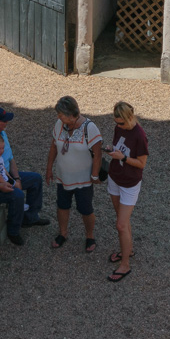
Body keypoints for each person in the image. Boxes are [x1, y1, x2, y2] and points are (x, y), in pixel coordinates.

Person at [0, 106, 49, 246]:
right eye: (4, 121)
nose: (7, 123)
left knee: (36, 179)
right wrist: (0, 185)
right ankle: (13, 231)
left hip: (4, 176)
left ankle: (30, 218)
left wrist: (16, 179)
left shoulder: (1, 135)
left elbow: (11, 160)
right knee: (16, 195)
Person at [45, 95, 102, 253]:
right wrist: (49, 168)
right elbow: (54, 147)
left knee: (86, 209)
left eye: (61, 114)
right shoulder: (59, 125)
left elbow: (97, 154)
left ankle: (90, 236)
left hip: (83, 180)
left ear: (72, 114)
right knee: (62, 206)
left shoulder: (89, 128)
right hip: (63, 177)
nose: (58, 117)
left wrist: (95, 175)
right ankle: (63, 233)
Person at [106, 101, 149, 283]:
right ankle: (128, 250)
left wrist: (123, 157)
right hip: (115, 177)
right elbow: (120, 147)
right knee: (122, 220)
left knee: (121, 225)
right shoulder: (119, 128)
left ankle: (125, 264)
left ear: (130, 118)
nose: (118, 126)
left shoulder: (140, 135)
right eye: (116, 123)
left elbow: (141, 164)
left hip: (130, 183)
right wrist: (112, 151)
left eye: (121, 123)